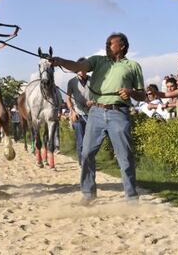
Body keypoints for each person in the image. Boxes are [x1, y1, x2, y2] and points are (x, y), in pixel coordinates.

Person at [50, 32, 146, 204]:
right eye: (107, 43)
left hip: (119, 113)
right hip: (96, 112)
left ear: (122, 46)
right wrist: (61, 61)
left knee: (125, 155)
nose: (107, 45)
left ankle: (131, 197)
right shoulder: (98, 61)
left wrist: (131, 92)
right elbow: (78, 65)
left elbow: (142, 95)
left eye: (111, 43)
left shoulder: (133, 66)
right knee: (86, 153)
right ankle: (88, 194)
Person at [66, 57, 93, 166]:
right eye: (79, 67)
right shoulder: (72, 82)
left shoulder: (93, 80)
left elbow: (97, 95)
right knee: (80, 140)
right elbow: (67, 98)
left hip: (91, 114)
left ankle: (89, 160)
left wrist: (92, 102)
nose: (82, 69)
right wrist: (72, 111)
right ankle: (82, 163)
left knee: (90, 141)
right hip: (78, 114)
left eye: (84, 67)